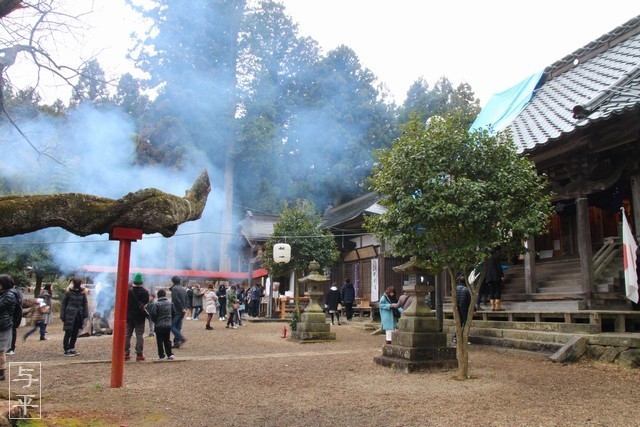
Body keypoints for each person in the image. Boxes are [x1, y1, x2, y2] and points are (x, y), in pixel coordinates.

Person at [60, 278, 89, 356]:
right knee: (68, 332)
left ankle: (71, 348)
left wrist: (86, 314)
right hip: (69, 314)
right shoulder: (68, 291)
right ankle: (66, 349)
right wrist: (62, 314)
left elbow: (85, 304)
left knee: (75, 333)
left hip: (79, 314)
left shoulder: (83, 292)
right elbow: (64, 304)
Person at [125, 272, 150, 361]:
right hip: (140, 316)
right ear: (141, 282)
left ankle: (125, 353)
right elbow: (146, 303)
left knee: (127, 334)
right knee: (139, 335)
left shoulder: (128, 291)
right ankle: (139, 353)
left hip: (129, 315)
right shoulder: (145, 292)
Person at [0, 275, 19, 380]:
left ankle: (1, 373)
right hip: (3, 323)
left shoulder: (9, 295)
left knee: (0, 350)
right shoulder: (4, 294)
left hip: (3, 325)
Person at [148, 289, 175, 361]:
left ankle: (161, 355)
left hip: (159, 324)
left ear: (158, 295)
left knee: (159, 340)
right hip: (168, 324)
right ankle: (170, 354)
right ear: (165, 295)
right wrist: (170, 319)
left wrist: (155, 320)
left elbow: (153, 314)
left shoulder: (156, 304)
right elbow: (174, 313)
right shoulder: (170, 303)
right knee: (167, 339)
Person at [170, 276, 188, 348]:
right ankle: (177, 343)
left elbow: (175, 299)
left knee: (171, 326)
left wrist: (181, 308)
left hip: (177, 310)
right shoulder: (183, 289)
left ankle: (181, 337)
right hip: (183, 310)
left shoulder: (174, 289)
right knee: (178, 326)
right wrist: (185, 308)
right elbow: (186, 299)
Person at [454, 275, 472, 344]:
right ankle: (464, 338)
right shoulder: (466, 289)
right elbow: (470, 301)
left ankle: (456, 337)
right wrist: (474, 310)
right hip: (464, 308)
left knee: (459, 322)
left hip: (457, 308)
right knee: (465, 323)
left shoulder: (455, 288)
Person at [6, 283, 22, 356]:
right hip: (11, 317)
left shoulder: (12, 293)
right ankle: (10, 348)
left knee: (11, 332)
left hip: (10, 317)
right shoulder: (16, 292)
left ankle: (11, 348)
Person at [487, 247, 505, 311]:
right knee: (497, 290)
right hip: (496, 276)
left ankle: (492, 306)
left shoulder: (488, 259)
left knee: (492, 291)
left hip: (489, 277)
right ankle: (497, 306)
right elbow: (499, 268)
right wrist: (502, 276)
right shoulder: (496, 258)